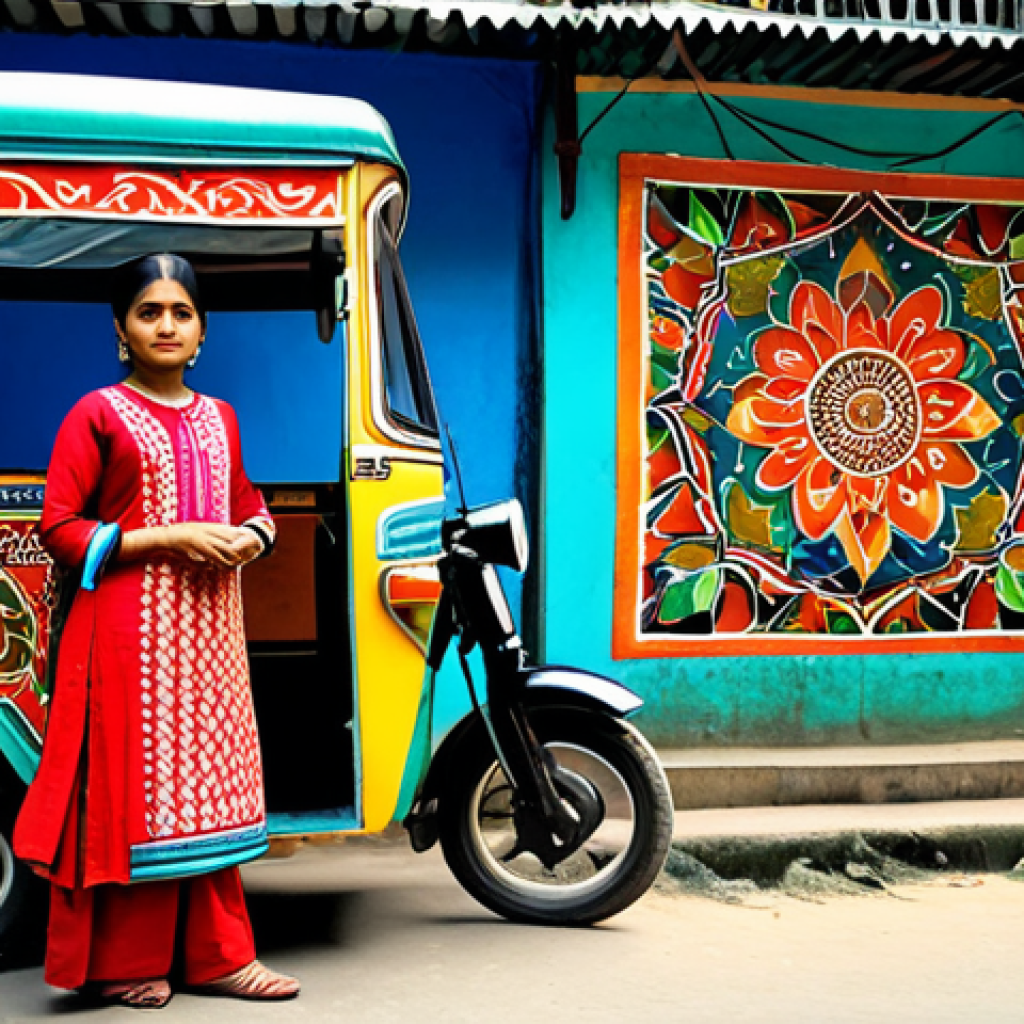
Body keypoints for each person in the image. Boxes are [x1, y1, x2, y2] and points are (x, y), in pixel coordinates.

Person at [14, 254, 300, 1008]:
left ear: (203, 330)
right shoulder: (98, 414)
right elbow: (60, 528)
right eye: (149, 312)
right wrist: (164, 538)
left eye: (181, 312)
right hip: (125, 637)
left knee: (207, 791)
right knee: (134, 795)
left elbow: (247, 501)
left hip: (208, 637)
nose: (166, 325)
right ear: (121, 329)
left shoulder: (220, 417)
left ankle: (220, 957)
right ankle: (125, 961)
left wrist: (255, 536)